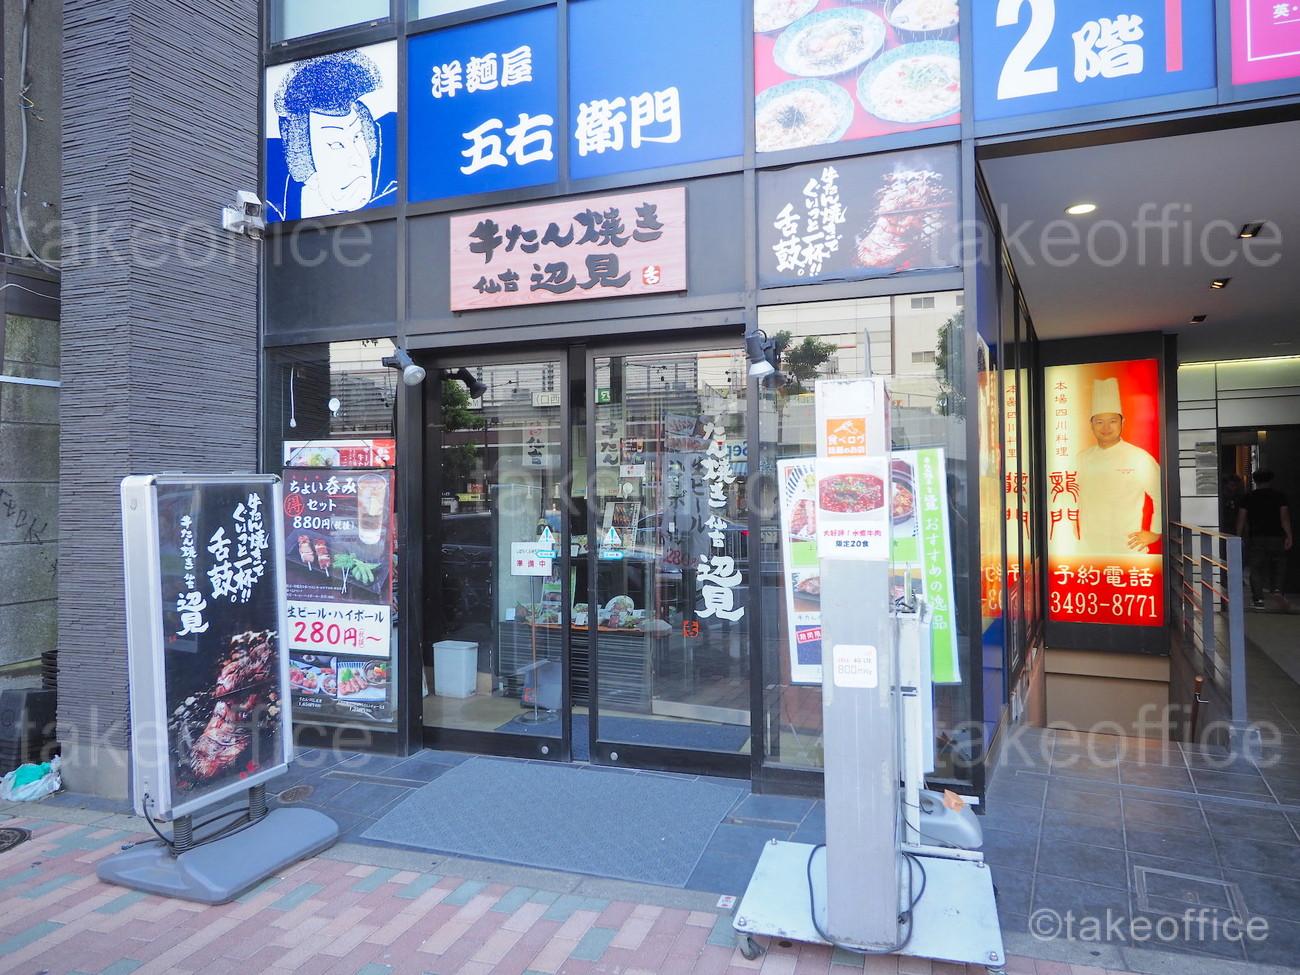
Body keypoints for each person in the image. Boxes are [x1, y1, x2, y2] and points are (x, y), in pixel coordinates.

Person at [270, 49, 397, 221]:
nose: (357, 159)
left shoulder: (397, 189)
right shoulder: (270, 206)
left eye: (358, 137)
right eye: (336, 144)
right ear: (303, 160)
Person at [1074, 377, 1162, 554]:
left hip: (1128, 549)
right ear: (1091, 425)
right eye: (1099, 422)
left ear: (1122, 422)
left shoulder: (1139, 457)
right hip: (1087, 548)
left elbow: (1162, 493)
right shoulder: (1081, 459)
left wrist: (1156, 532)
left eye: (1112, 421)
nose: (1106, 427)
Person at [1236, 470, 1293, 607]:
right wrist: (1289, 535)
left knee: (1256, 568)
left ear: (1255, 481)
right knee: (1279, 564)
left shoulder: (1248, 497)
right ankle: (1277, 590)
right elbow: (1284, 518)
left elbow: (1241, 518)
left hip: (1256, 537)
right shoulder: (1279, 496)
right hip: (1277, 536)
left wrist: (1237, 537)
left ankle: (1258, 599)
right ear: (1271, 480)